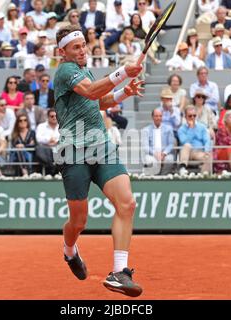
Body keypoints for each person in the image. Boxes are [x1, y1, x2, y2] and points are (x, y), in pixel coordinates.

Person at [53, 25, 144, 296]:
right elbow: (92, 91)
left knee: (127, 203)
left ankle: (120, 272)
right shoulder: (66, 71)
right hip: (74, 152)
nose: (83, 50)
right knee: (79, 222)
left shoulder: (85, 71)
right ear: (63, 52)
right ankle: (70, 251)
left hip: (101, 147)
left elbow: (97, 101)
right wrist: (122, 72)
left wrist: (123, 93)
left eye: (84, 45)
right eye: (76, 47)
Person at [178, 105, 212, 174]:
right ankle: (182, 168)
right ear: (185, 117)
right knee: (187, 145)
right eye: (190, 116)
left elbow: (207, 140)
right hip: (188, 152)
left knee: (209, 156)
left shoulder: (202, 127)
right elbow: (184, 141)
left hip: (199, 152)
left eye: (194, 115)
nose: (192, 117)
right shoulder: (181, 129)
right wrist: (190, 128)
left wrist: (206, 151)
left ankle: (203, 176)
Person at [142, 108, 175, 175]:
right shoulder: (146, 130)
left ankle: (163, 176)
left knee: (170, 159)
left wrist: (164, 153)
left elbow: (171, 144)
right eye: (156, 116)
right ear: (152, 117)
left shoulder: (168, 129)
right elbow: (145, 146)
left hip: (164, 154)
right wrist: (155, 154)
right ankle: (154, 176)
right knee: (149, 160)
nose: (158, 118)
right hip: (152, 154)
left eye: (160, 116)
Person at [35, 108, 60, 174]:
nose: (54, 118)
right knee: (39, 149)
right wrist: (48, 140)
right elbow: (38, 138)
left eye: (56, 116)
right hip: (45, 149)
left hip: (58, 148)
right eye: (52, 116)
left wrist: (57, 141)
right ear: (47, 117)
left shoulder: (62, 126)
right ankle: (52, 168)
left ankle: (54, 170)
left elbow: (66, 137)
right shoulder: (41, 126)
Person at [11, 112, 36, 177]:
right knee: (19, 150)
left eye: (25, 120)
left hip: (30, 153)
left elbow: (34, 145)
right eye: (20, 120)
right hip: (16, 155)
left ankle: (25, 172)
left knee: (20, 149)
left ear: (27, 122)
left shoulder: (32, 133)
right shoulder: (14, 134)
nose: (23, 122)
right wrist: (27, 145)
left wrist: (23, 146)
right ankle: (25, 172)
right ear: (17, 123)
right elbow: (13, 146)